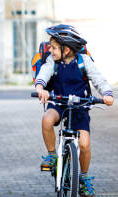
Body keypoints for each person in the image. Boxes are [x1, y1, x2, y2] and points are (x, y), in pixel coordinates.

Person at [35, 24, 114, 196]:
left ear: (67, 49)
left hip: (80, 105)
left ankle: (84, 177)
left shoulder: (83, 61)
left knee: (84, 144)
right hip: (59, 102)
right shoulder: (52, 62)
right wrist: (41, 87)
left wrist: (107, 94)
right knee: (47, 119)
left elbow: (98, 78)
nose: (50, 50)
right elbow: (44, 73)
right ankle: (51, 155)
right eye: (50, 46)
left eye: (54, 47)